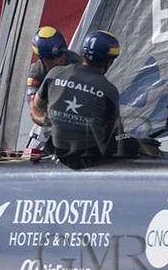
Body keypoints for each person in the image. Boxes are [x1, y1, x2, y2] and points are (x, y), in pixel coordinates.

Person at [35, 29, 121, 168]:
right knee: (129, 140)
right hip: (89, 154)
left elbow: (38, 104)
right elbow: (113, 129)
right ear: (109, 61)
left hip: (60, 149)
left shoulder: (55, 72)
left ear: (83, 54)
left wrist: (61, 118)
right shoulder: (109, 89)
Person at [25, 25, 82, 137]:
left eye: (60, 55)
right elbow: (34, 110)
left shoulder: (79, 63)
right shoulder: (36, 74)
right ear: (41, 59)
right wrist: (48, 121)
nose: (57, 61)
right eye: (50, 58)